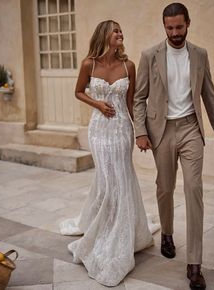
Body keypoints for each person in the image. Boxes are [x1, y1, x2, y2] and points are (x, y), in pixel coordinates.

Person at [59, 20, 160, 287]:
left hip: (122, 130)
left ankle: (122, 230)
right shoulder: (88, 64)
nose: (120, 33)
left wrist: (141, 132)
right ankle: (103, 227)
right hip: (99, 130)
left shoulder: (129, 66)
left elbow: (131, 102)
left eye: (121, 30)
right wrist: (98, 104)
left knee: (122, 178)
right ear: (104, 35)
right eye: (115, 30)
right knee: (107, 180)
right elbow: (78, 92)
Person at [134, 3, 214, 290]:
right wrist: (140, 132)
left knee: (194, 188)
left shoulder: (200, 54)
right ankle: (167, 234)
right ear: (164, 27)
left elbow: (209, 92)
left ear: (188, 24)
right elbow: (139, 98)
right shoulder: (150, 55)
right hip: (161, 130)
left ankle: (195, 264)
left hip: (190, 128)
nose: (174, 33)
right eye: (169, 28)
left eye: (179, 27)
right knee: (165, 187)